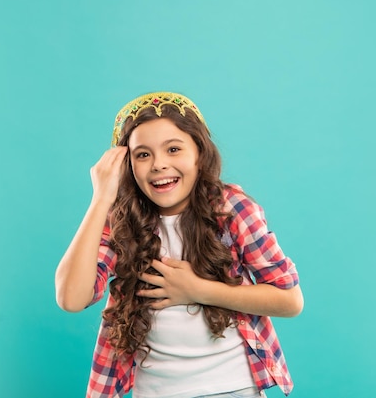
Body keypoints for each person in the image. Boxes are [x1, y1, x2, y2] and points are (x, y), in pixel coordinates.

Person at [55, 92, 304, 398]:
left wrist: (197, 290)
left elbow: (290, 300)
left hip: (233, 388)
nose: (159, 164)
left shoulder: (231, 209)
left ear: (200, 153)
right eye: (142, 155)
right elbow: (70, 298)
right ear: (125, 165)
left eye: (173, 149)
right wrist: (101, 199)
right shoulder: (120, 221)